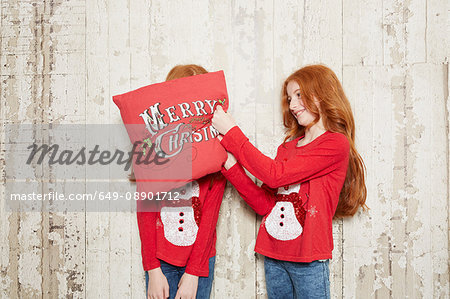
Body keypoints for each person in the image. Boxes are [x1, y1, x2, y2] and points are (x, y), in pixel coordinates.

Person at [211, 64, 368, 299]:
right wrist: (232, 167)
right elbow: (265, 205)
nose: (293, 105)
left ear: (323, 92)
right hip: (273, 255)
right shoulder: (287, 148)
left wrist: (233, 132)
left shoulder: (335, 144)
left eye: (299, 95)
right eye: (289, 98)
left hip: (309, 260)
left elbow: (275, 174)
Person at [134, 64, 227, 299]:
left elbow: (209, 218)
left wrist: (194, 272)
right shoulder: (154, 152)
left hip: (200, 259)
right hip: (161, 259)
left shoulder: (215, 154)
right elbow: (145, 212)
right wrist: (153, 269)